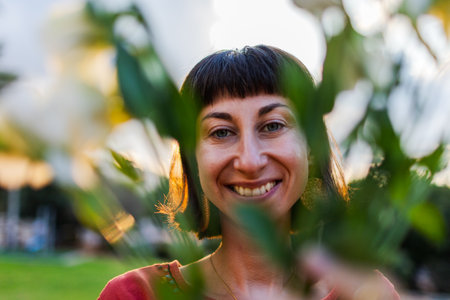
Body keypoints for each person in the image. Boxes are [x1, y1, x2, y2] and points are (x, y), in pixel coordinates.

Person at [98, 45, 400, 300]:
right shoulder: (135, 295)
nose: (250, 161)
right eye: (221, 132)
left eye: (272, 126)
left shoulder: (365, 293)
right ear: (193, 158)